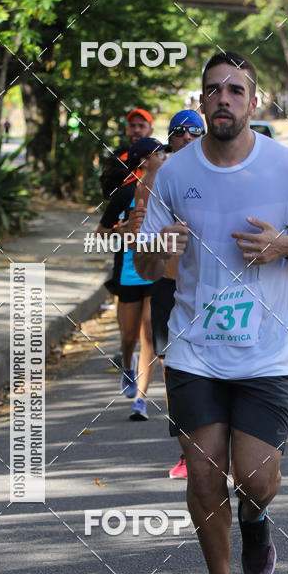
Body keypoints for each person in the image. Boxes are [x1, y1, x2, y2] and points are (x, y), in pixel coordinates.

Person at [132, 51, 288, 574]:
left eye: (236, 90)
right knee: (202, 473)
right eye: (214, 89)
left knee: (256, 477)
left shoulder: (286, 167)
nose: (224, 98)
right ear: (201, 102)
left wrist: (285, 246)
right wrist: (157, 251)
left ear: (253, 101)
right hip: (194, 348)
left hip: (265, 353)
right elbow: (144, 267)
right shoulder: (175, 173)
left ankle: (254, 517)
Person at [149, 109, 205, 479]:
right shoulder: (160, 177)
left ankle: (219, 444)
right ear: (170, 139)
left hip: (207, 286)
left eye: (195, 131)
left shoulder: (218, 172)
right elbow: (141, 235)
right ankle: (187, 450)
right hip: (168, 284)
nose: (187, 137)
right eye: (180, 132)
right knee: (173, 368)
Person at [96, 137, 166, 420]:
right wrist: (121, 231)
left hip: (155, 272)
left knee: (149, 333)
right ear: (145, 161)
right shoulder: (125, 194)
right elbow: (100, 234)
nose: (164, 158)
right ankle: (128, 366)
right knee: (129, 337)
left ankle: (141, 399)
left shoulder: (167, 193)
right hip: (128, 273)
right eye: (159, 154)